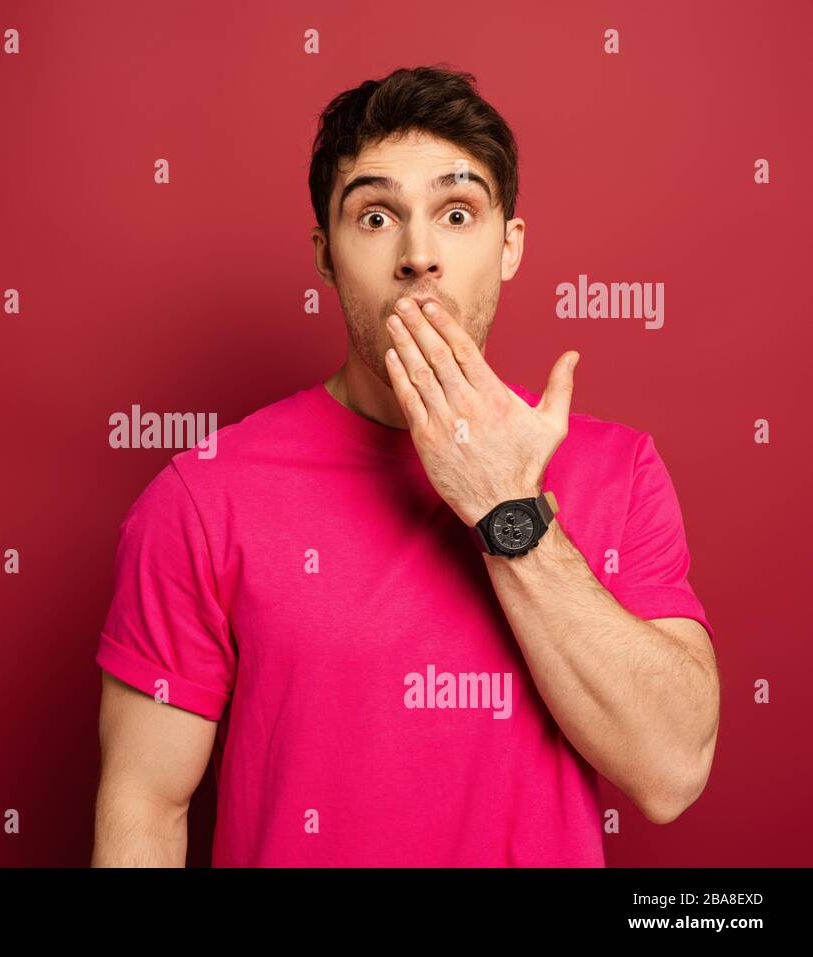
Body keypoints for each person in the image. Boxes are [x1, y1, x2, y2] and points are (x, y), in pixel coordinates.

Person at [91, 65, 719, 867]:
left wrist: (507, 510)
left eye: (457, 213)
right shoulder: (202, 496)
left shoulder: (618, 467)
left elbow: (672, 770)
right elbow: (145, 802)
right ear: (325, 254)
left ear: (509, 245)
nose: (419, 254)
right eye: (377, 215)